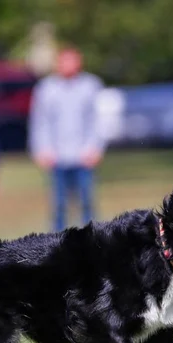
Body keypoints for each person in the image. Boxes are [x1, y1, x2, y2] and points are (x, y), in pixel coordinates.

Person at [28, 46, 105, 231]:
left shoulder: (91, 85)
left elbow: (99, 121)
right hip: (57, 156)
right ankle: (57, 243)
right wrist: (41, 149)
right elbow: (39, 121)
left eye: (72, 60)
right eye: (64, 61)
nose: (68, 65)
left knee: (87, 201)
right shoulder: (47, 88)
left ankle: (93, 240)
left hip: (83, 155)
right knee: (58, 204)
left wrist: (95, 148)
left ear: (79, 62)